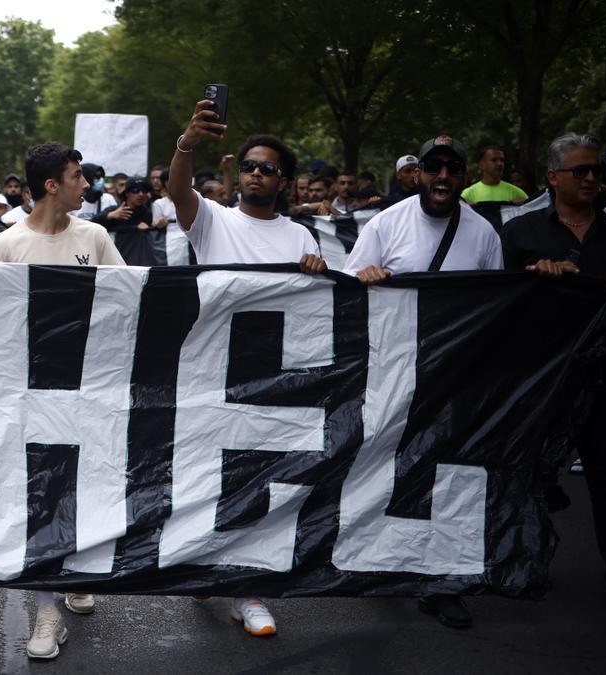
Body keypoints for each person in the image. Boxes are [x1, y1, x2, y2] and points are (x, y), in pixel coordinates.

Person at [0, 142, 119, 657]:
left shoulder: (94, 235)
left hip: (86, 387)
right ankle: (46, 611)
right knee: (36, 495)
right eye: (77, 177)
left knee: (80, 483)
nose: (86, 186)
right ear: (52, 185)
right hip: (24, 394)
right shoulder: (4, 245)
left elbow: (130, 297)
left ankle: (76, 568)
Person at [169, 104, 327, 636]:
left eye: (268, 168)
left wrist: (319, 271)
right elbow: (179, 191)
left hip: (275, 379)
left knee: (260, 480)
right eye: (250, 166)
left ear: (284, 182)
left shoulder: (302, 238)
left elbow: (321, 309)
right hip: (209, 371)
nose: (257, 173)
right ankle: (204, 566)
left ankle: (249, 592)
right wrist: (186, 145)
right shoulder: (212, 219)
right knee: (205, 478)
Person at [345, 136, 501, 630]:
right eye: (433, 166)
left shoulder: (483, 235)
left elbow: (495, 306)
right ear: (418, 173)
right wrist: (364, 275)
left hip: (454, 378)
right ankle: (382, 562)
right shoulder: (385, 224)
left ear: (463, 176)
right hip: (392, 371)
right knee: (386, 466)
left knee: (449, 475)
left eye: (452, 169)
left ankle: (442, 582)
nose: (442, 176)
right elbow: (347, 286)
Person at [501, 132, 606, 616]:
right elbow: (499, 304)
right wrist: (532, 278)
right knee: (525, 474)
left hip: (603, 375)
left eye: (595, 170)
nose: (590, 178)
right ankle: (514, 561)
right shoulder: (521, 234)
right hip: (543, 378)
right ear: (553, 176)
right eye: (580, 170)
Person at [92, 176, 160, 265]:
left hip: (141, 263)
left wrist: (152, 226)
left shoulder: (147, 213)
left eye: (144, 191)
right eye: (136, 190)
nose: (141, 194)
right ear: (127, 193)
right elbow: (92, 225)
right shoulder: (114, 209)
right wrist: (110, 216)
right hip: (116, 261)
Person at [461, 145, 528, 205]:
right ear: (482, 165)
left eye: (502, 160)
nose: (499, 164)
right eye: (494, 160)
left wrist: (524, 204)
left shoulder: (517, 193)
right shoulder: (468, 194)